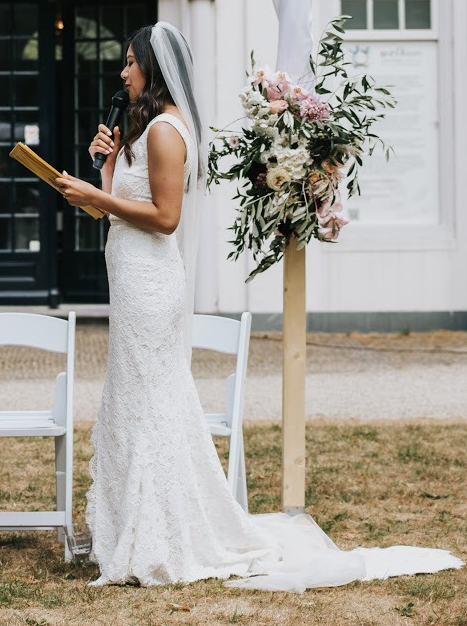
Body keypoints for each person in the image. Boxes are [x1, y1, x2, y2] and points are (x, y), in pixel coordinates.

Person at [55, 22, 463, 593]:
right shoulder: (141, 131)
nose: (121, 72)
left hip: (151, 285)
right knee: (134, 398)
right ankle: (138, 526)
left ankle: (163, 535)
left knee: (153, 400)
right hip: (128, 278)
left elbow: (166, 219)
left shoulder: (168, 133)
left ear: (152, 65)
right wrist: (104, 166)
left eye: (128, 62)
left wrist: (95, 193)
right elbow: (119, 208)